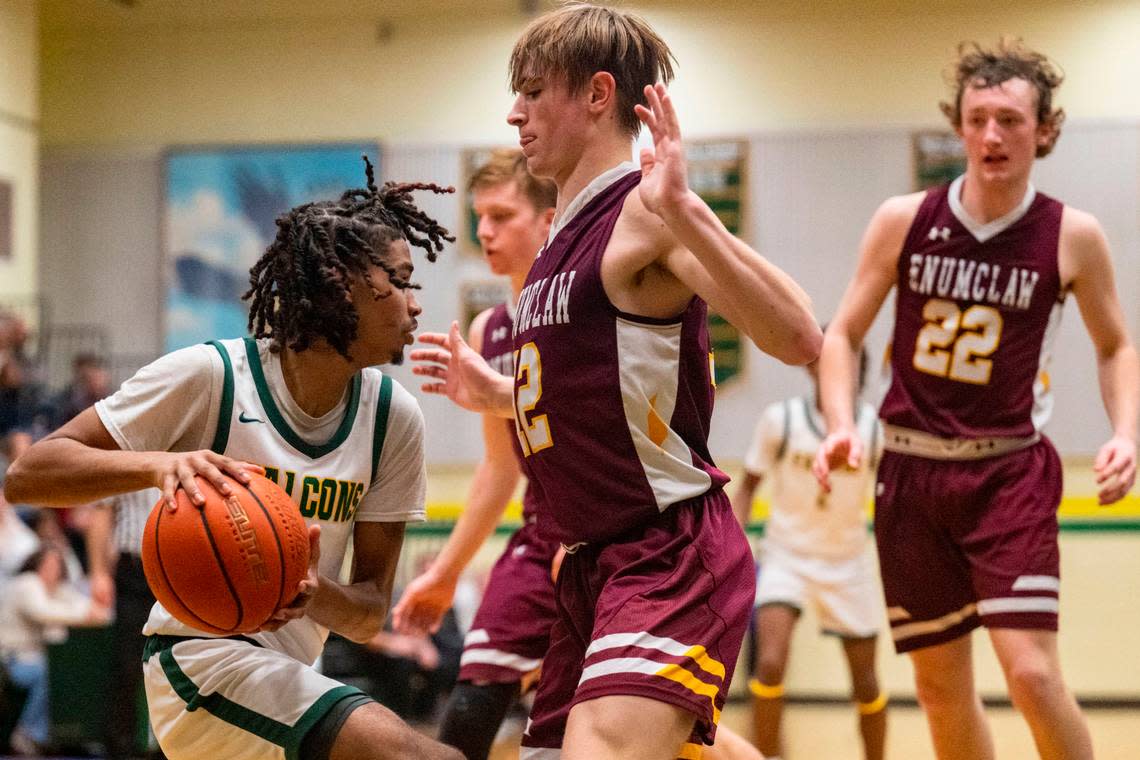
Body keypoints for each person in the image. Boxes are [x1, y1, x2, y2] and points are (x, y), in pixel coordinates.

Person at [411, 5, 821, 758]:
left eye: (533, 92)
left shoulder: (645, 213)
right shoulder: (556, 244)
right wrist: (494, 394)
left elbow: (800, 336)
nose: (514, 113)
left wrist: (688, 213)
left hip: (665, 549)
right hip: (588, 564)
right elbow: (595, 391)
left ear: (598, 95)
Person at [4, 159, 464, 760]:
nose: (414, 304)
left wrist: (310, 594)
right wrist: (158, 464)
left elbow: (369, 614)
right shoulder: (213, 376)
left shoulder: (392, 419)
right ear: (338, 286)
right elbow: (27, 475)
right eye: (400, 281)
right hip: (197, 662)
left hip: (294, 670)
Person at [813, 39, 1138, 760]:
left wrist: (1125, 433)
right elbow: (842, 336)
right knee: (939, 687)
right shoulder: (904, 220)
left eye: (1011, 120)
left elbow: (1116, 344)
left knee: (1030, 673)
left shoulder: (1072, 235)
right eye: (978, 118)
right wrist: (842, 422)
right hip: (910, 473)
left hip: (1008, 474)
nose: (992, 135)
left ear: (1044, 131)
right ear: (959, 126)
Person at [392, 148, 559, 760]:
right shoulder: (491, 330)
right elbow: (500, 466)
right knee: (470, 709)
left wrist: (499, 394)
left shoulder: (584, 308)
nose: (485, 231)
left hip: (614, 540)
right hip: (541, 538)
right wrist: (445, 572)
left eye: (501, 215)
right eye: (478, 216)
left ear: (549, 220)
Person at [732, 346, 886, 760]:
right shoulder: (780, 422)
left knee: (866, 682)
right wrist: (729, 545)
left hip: (848, 560)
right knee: (769, 664)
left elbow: (890, 500)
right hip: (787, 556)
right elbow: (747, 485)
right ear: (814, 368)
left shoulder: (873, 430)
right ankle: (768, 755)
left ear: (858, 369)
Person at [0, 546, 110, 755]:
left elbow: (86, 606)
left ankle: (72, 735)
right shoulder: (27, 583)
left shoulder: (54, 587)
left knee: (71, 668)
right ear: (36, 563)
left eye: (56, 565)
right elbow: (43, 612)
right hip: (11, 659)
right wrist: (86, 614)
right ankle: (28, 733)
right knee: (50, 672)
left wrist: (92, 610)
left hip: (35, 656)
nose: (52, 570)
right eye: (48, 564)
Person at [85, 487, 164, 759]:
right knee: (128, 663)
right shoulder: (126, 454)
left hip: (177, 566)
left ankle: (172, 748)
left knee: (178, 660)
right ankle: (119, 749)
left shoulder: (191, 449)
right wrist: (98, 573)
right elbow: (101, 512)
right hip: (134, 569)